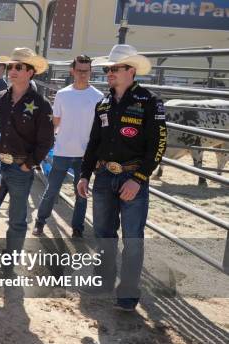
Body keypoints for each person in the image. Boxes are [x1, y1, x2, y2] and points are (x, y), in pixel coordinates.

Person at [77, 44, 167, 312]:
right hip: (104, 176)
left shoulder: (150, 102)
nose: (109, 73)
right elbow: (93, 142)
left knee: (132, 238)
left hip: (132, 177)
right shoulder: (102, 103)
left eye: (115, 68)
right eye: (107, 69)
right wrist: (84, 174)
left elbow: (158, 145)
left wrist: (138, 178)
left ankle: (127, 293)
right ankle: (103, 280)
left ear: (131, 70)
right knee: (104, 233)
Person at [32, 55, 103, 238]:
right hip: (62, 151)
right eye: (79, 70)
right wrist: (46, 146)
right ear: (72, 71)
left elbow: (101, 129)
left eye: (85, 71)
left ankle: (77, 228)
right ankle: (40, 221)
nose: (82, 74)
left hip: (85, 154)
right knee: (52, 189)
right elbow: (55, 122)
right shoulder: (62, 95)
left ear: (90, 72)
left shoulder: (98, 97)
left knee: (82, 193)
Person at [0, 48, 54, 255]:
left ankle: (10, 262)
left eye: (19, 67)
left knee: (17, 220)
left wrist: (29, 164)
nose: (13, 70)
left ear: (30, 72)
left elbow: (46, 141)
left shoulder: (41, 104)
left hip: (20, 168)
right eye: (10, 66)